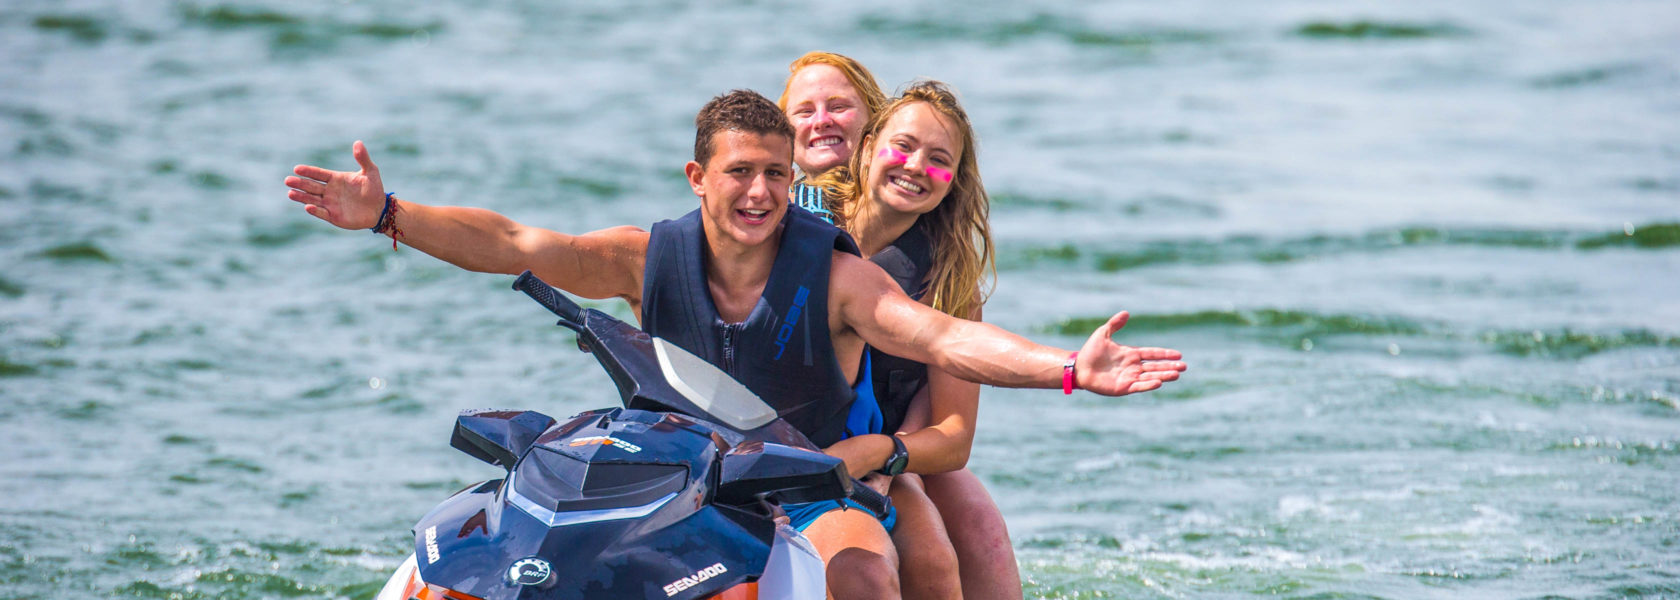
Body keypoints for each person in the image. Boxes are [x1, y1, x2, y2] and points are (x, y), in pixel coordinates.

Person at [284, 90, 1186, 599]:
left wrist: (1068, 368)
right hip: (671, 479)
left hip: (803, 485)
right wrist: (390, 213)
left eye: (776, 175)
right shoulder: (645, 259)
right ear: (698, 176)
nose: (759, 192)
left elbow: (942, 335)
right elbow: (519, 243)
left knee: (866, 576)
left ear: (796, 182)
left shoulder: (840, 280)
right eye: (740, 172)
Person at [780, 52, 1022, 600]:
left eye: (938, 160)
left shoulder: (950, 279)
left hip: (895, 449)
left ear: (954, 181)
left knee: (976, 530)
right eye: (904, 146)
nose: (915, 167)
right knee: (924, 547)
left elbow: (952, 433)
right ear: (868, 148)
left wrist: (888, 458)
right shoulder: (794, 222)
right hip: (793, 442)